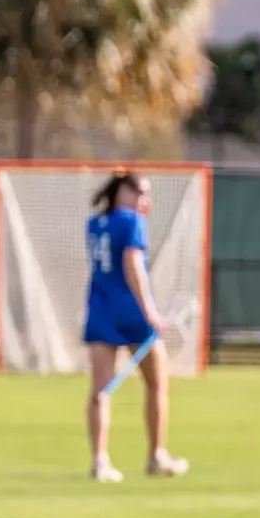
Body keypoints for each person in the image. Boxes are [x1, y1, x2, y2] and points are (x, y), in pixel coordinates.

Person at [83, 170, 189, 483]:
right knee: (157, 383)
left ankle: (100, 461)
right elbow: (133, 267)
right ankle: (157, 455)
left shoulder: (96, 223)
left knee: (100, 390)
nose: (145, 199)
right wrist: (151, 312)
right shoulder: (131, 222)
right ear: (123, 192)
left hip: (100, 310)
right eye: (140, 192)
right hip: (130, 311)